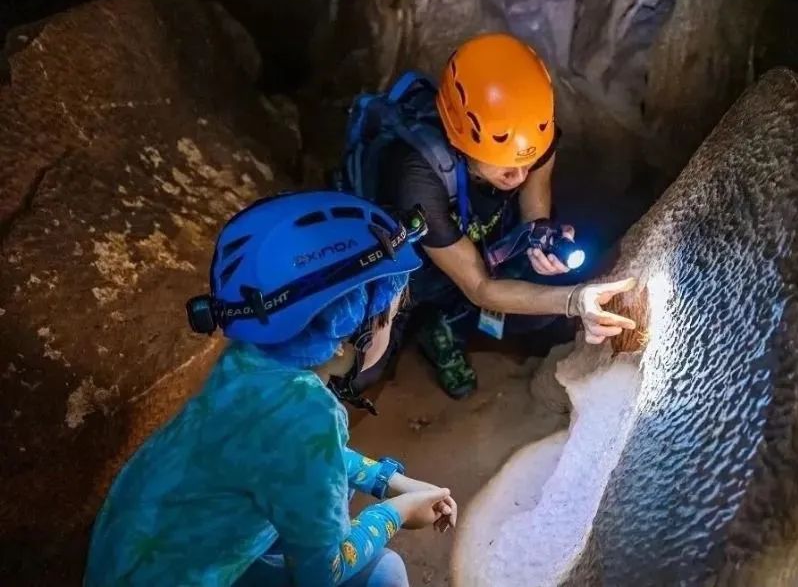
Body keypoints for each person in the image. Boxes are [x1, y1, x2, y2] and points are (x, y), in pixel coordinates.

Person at [83, 191, 458, 587]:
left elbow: (293, 453)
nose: (392, 328)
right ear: (345, 334)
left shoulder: (249, 362)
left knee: (331, 497)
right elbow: (321, 574)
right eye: (390, 317)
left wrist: (385, 479)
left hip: (135, 560)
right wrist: (397, 512)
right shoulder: (310, 415)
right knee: (383, 574)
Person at [337, 32, 637, 399]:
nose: (520, 177)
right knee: (364, 368)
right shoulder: (418, 179)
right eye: (507, 169)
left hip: (471, 232)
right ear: (460, 140)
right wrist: (574, 301)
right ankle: (418, 319)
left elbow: (534, 212)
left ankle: (446, 326)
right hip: (413, 260)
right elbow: (479, 287)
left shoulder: (533, 138)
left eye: (529, 163)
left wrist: (538, 240)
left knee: (536, 309)